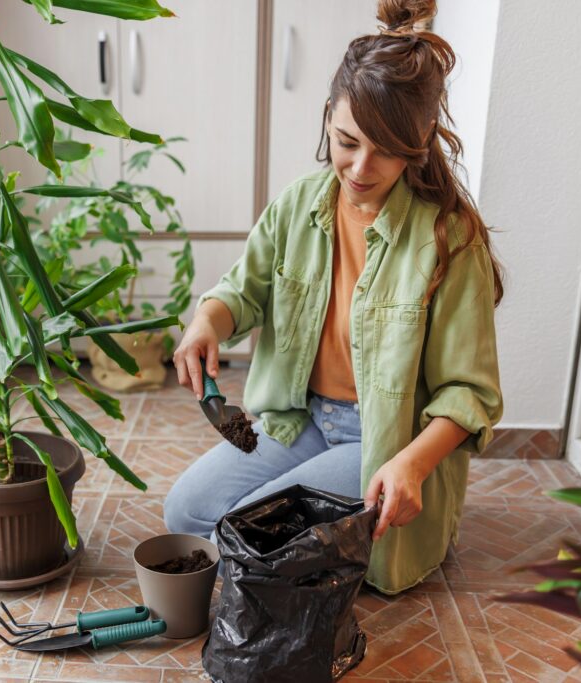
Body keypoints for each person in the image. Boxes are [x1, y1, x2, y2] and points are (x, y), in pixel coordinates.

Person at [163, 0, 504, 594]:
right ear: (327, 118)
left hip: (384, 440)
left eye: (386, 150)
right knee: (186, 516)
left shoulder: (450, 238)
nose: (360, 167)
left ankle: (306, 555)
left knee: (250, 532)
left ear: (419, 140)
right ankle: (305, 557)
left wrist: (412, 464)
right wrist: (206, 323)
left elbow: (468, 393)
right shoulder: (300, 203)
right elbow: (242, 290)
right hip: (299, 420)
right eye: (347, 141)